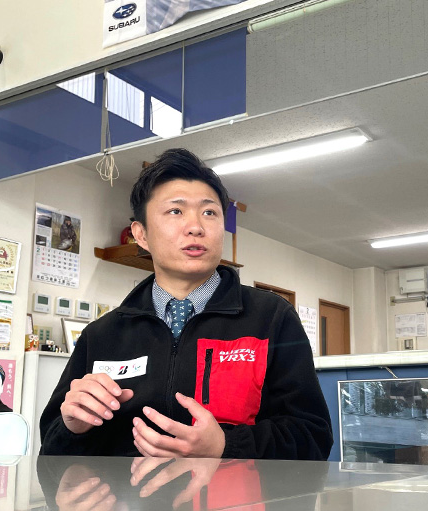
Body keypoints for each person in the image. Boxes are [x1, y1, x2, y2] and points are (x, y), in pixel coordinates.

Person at [40, 149, 334, 459]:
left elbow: (313, 437)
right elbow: (51, 450)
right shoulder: (102, 334)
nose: (196, 226)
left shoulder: (272, 318)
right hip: (129, 503)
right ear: (141, 234)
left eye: (210, 213)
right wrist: (73, 427)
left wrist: (225, 446)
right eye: (175, 211)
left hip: (238, 505)